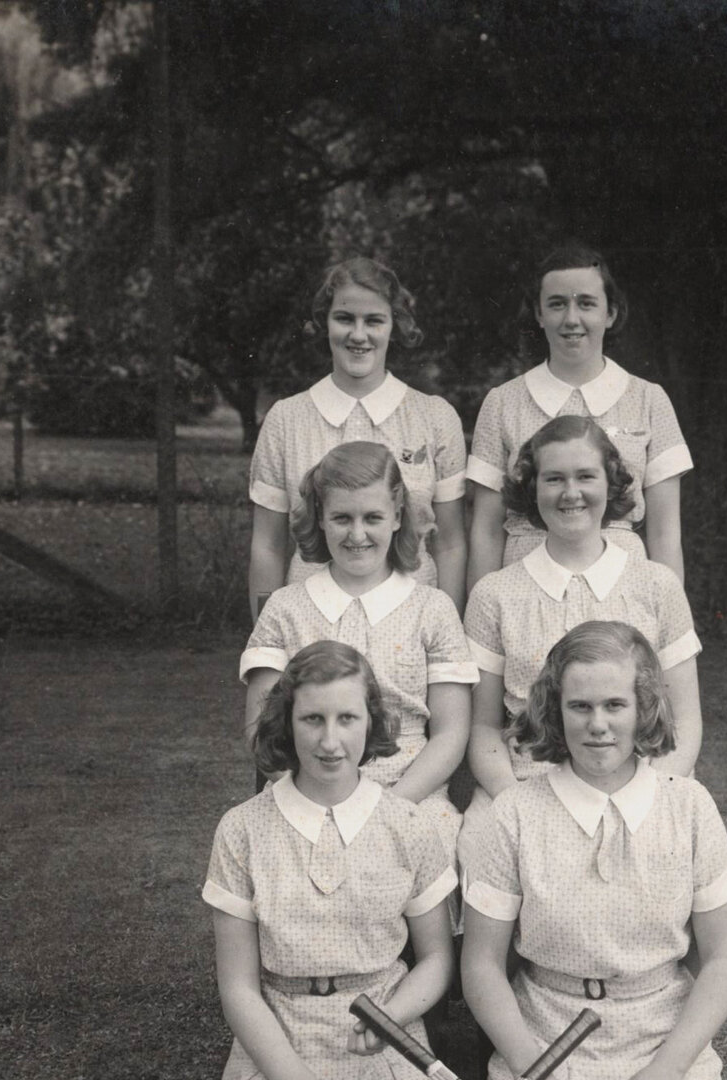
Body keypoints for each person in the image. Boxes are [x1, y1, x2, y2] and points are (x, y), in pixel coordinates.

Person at [461, 621, 727, 1080]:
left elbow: (725, 958)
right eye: (580, 706)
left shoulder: (691, 806)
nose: (598, 724)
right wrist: (534, 1067)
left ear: (645, 706)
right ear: (553, 711)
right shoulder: (514, 814)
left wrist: (669, 1068)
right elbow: (480, 965)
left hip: (657, 1033)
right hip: (549, 1038)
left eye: (615, 705)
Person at [195, 641, 465, 1080]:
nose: (330, 740)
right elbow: (238, 987)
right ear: (286, 722)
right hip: (281, 1035)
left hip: (383, 1038)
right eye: (312, 719)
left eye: (347, 718)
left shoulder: (409, 824)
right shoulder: (243, 829)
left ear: (372, 721)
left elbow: (436, 961)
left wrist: (394, 1016)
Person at [461, 415, 701, 868]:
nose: (570, 493)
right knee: (480, 842)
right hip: (527, 785)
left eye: (585, 476)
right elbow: (483, 729)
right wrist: (518, 803)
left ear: (611, 484)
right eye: (553, 478)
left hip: (640, 784)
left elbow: (685, 725)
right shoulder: (494, 595)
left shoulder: (657, 587)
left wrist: (643, 797)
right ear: (532, 489)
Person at [242, 442, 476, 857]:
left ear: (398, 516)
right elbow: (261, 727)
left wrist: (387, 808)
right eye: (341, 518)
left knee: (438, 838)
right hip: (305, 792)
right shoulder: (285, 609)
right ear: (320, 519)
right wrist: (312, 804)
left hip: (409, 794)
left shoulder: (432, 608)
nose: (357, 534)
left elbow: (451, 732)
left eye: (372, 518)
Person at [248, 255, 468, 619]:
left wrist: (450, 635)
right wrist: (265, 642)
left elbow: (450, 545)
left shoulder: (434, 416)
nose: (359, 335)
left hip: (413, 618)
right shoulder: (286, 419)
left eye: (374, 321)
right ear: (325, 323)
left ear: (394, 326)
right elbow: (268, 546)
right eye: (345, 318)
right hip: (310, 620)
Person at [466, 241, 691, 591]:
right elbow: (486, 530)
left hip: (624, 583)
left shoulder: (649, 400)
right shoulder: (502, 402)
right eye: (557, 305)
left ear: (610, 313)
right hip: (523, 585)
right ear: (539, 315)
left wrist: (672, 629)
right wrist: (480, 624)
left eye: (586, 304)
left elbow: (664, 533)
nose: (572, 319)